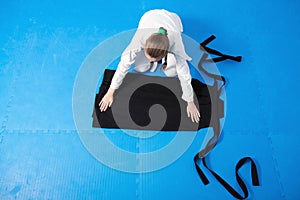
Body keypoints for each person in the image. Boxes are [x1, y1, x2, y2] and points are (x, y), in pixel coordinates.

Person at [99, 9, 200, 123]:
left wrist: (190, 102)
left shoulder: (176, 44)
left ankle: (164, 60)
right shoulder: (139, 39)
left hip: (172, 21)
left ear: (165, 53)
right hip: (149, 17)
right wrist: (110, 92)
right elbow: (123, 66)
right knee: (140, 68)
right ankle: (151, 56)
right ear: (145, 46)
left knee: (172, 73)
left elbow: (184, 76)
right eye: (148, 55)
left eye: (154, 59)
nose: (150, 59)